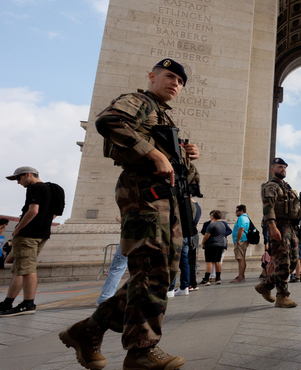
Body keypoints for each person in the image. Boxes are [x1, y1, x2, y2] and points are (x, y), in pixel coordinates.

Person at [59, 59, 195, 369]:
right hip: (143, 194)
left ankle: (88, 329)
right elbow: (109, 121)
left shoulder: (162, 117)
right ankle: (141, 351)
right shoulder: (139, 101)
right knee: (150, 270)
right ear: (152, 76)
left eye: (180, 81)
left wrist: (187, 157)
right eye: (170, 76)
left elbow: (187, 179)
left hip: (165, 200)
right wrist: (153, 152)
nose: (175, 83)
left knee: (160, 274)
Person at [1, 166, 64, 317]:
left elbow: (33, 210)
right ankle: (8, 302)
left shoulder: (34, 188)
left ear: (28, 175)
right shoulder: (56, 189)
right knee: (20, 268)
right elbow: (56, 212)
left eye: (18, 178)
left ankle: (28, 304)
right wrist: (42, 223)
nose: (18, 182)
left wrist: (18, 229)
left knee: (27, 269)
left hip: (27, 235)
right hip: (42, 234)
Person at [254, 158, 301, 308]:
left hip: (291, 228)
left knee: (293, 262)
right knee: (283, 262)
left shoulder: (287, 187)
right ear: (272, 169)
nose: (283, 170)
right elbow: (268, 208)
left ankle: (266, 285)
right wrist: (273, 228)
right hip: (279, 226)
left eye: (285, 168)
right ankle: (282, 296)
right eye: (280, 167)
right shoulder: (271, 186)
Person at [97, 216, 127, 305]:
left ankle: (105, 299)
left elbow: (119, 217)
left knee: (117, 269)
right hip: (149, 237)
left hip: (129, 238)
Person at [200, 210, 229, 285]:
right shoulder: (223, 224)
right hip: (220, 245)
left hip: (211, 245)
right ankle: (218, 278)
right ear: (221, 217)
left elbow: (206, 235)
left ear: (213, 216)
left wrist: (203, 242)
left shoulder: (212, 225)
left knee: (209, 262)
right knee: (218, 261)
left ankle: (206, 279)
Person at [230, 204, 251, 283]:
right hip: (242, 240)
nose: (236, 213)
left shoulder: (242, 218)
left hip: (241, 241)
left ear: (241, 211)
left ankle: (241, 276)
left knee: (240, 258)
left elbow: (241, 229)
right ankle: (241, 275)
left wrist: (238, 240)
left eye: (237, 211)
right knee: (241, 258)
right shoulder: (244, 217)